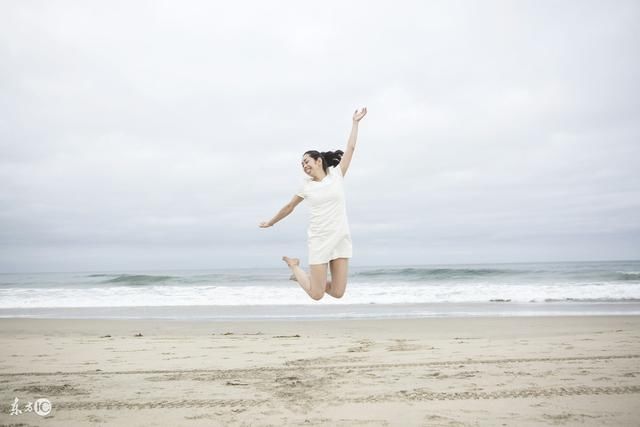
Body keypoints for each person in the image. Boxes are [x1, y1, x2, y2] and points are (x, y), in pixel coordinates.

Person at [259, 107, 368, 300]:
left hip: (340, 237)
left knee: (337, 292)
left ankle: (307, 277)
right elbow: (289, 207)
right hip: (319, 240)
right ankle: (294, 265)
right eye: (302, 164)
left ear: (319, 161)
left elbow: (350, 148)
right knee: (316, 294)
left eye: (307, 161)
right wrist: (271, 221)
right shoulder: (306, 186)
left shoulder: (337, 175)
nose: (304, 166)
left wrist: (355, 123)